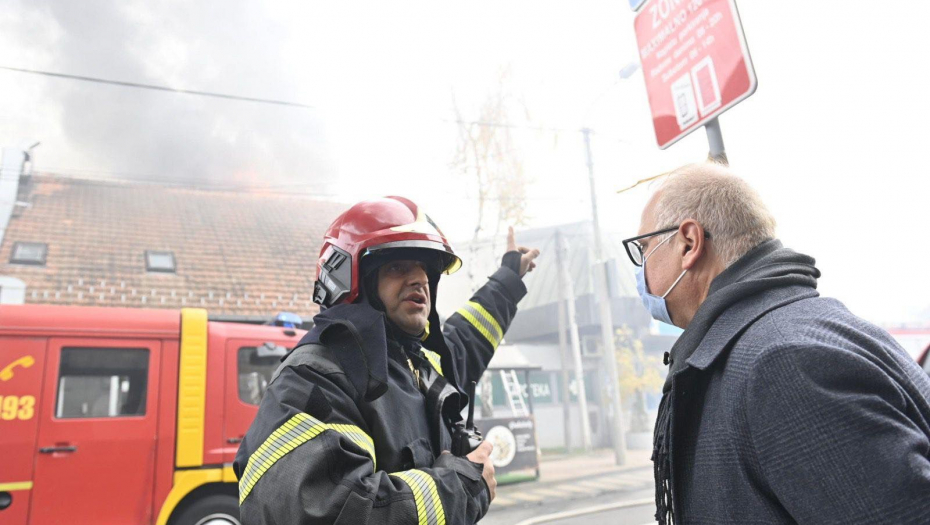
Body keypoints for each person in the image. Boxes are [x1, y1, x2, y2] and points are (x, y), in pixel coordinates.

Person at [622, 163, 930, 524]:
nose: (641, 269)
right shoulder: (787, 333)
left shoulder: (783, 363)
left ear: (689, 243)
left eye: (644, 248)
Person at [234, 196, 539, 525]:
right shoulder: (313, 379)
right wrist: (461, 487)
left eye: (425, 269)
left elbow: (465, 340)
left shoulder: (414, 365)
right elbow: (323, 511)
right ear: (353, 280)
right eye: (398, 266)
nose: (419, 278)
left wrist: (508, 280)